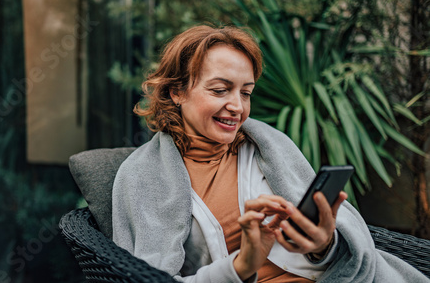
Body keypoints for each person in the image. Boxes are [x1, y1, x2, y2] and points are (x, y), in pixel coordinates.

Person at [112, 25, 428, 282]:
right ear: (176, 91)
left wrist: (323, 245)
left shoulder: (268, 146)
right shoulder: (142, 176)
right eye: (220, 90)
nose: (237, 106)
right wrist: (240, 267)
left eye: (245, 92)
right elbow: (148, 279)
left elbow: (336, 248)